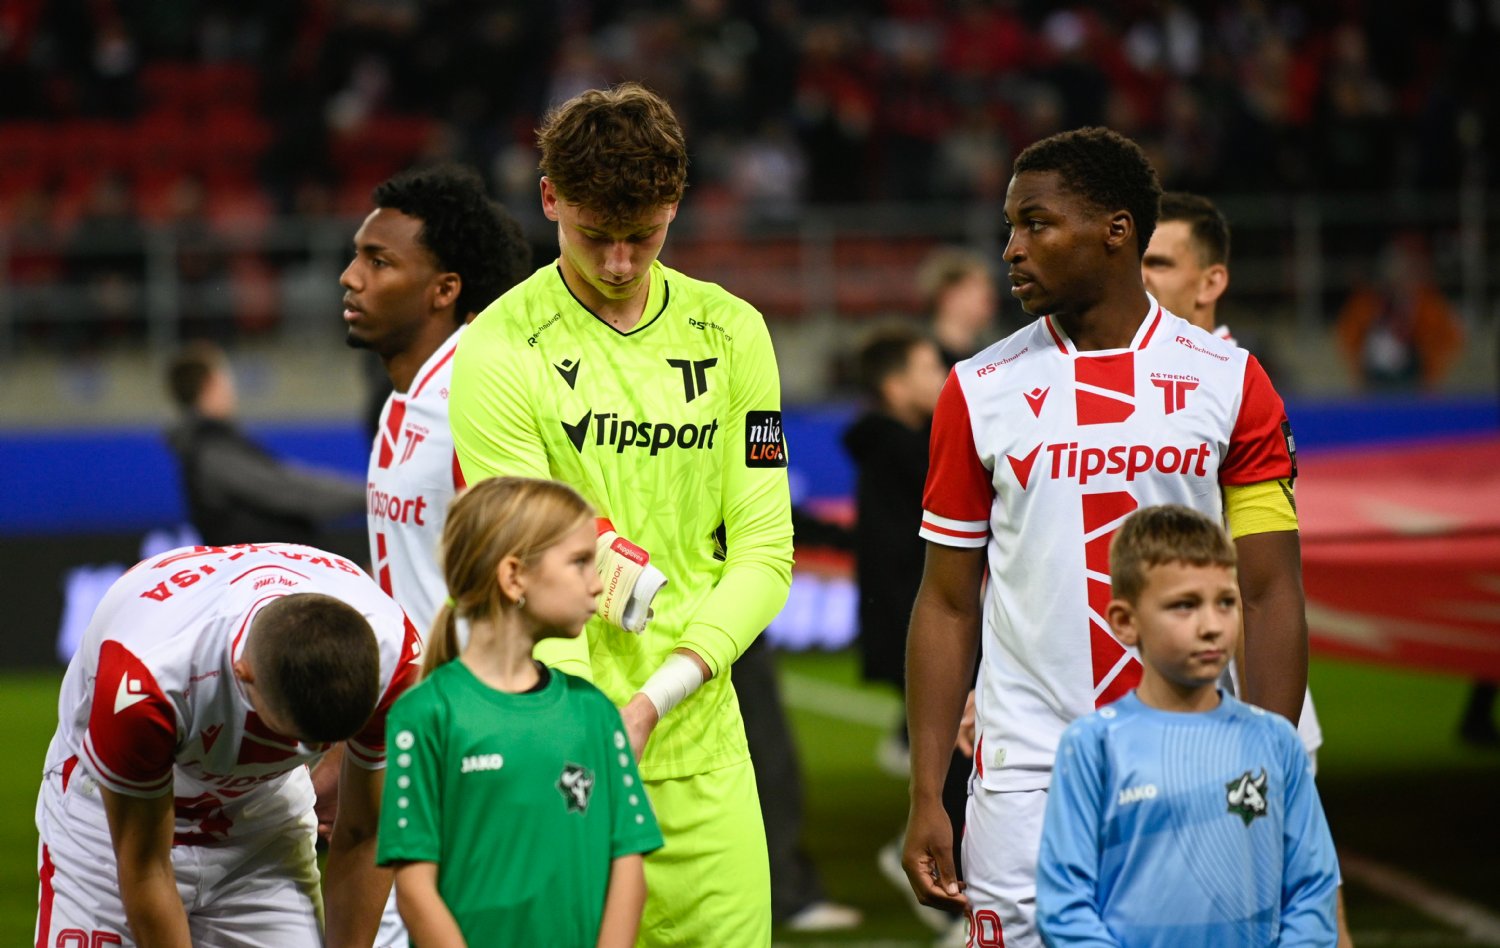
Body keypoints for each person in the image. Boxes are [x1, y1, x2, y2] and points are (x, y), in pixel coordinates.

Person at [902, 127, 1307, 948]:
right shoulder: (977, 390)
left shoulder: (1232, 382)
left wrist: (1269, 777)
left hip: (1197, 766)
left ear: (1117, 231)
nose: (1011, 250)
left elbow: (1269, 591)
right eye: (1010, 227)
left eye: (1036, 224)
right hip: (1025, 780)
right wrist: (926, 793)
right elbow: (945, 603)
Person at [449, 83, 793, 945]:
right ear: (549, 199)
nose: (617, 261)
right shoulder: (498, 346)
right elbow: (523, 564)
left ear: (675, 205)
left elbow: (765, 550)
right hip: (560, 745)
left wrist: (657, 698)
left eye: (641, 235)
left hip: (701, 742)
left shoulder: (734, 333)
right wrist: (586, 726)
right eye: (594, 233)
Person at [1144, 190, 1354, 947]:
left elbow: (1266, 571)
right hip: (1148, 675)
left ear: (1211, 281)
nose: (1140, 277)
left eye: (1159, 262)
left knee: (1297, 892)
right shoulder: (1120, 376)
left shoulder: (1235, 380)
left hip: (1243, 669)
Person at [35, 542, 423, 947]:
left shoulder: (393, 655)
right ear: (244, 673)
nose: (308, 749)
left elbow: (364, 832)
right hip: (107, 823)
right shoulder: (145, 682)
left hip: (262, 818)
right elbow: (145, 867)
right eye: (298, 740)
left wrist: (346, 766)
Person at [341, 163, 531, 945]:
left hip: (470, 757)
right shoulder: (404, 397)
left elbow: (534, 575)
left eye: (378, 261)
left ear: (444, 289)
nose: (349, 277)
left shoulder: (477, 401)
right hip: (409, 739)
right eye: (357, 255)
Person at [377, 476, 662, 946]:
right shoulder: (425, 716)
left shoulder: (596, 715)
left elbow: (628, 866)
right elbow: (414, 889)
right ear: (513, 577)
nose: (598, 584)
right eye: (580, 562)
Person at [1036, 505, 1339, 946]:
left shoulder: (1276, 742)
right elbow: (1065, 906)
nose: (1211, 626)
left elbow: (1311, 890)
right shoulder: (1092, 747)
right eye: (1185, 606)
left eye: (1225, 603)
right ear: (1125, 621)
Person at [842, 325, 968, 942]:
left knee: (956, 753)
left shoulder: (889, 446)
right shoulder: (905, 452)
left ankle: (951, 887)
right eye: (927, 369)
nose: (942, 378)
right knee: (958, 755)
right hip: (919, 630)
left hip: (907, 626)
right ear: (895, 387)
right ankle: (947, 892)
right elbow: (906, 564)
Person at [164, 341, 366, 547]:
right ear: (210, 385)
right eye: (226, 379)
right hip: (263, 565)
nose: (232, 389)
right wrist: (368, 496)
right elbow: (289, 490)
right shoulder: (212, 451)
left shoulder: (210, 445)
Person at [917, 246, 1001, 367]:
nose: (988, 295)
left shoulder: (992, 353)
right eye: (974, 287)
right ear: (948, 296)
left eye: (988, 286)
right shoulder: (920, 356)